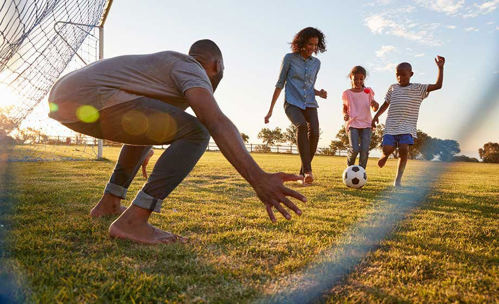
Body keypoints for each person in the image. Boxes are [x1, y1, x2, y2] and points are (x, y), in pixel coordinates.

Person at [48, 39, 306, 245]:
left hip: (66, 98)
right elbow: (215, 120)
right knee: (198, 132)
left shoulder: (167, 71)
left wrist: (144, 142)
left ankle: (109, 203)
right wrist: (258, 178)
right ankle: (133, 222)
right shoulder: (190, 66)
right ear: (216, 65)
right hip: (90, 95)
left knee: (156, 128)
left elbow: (143, 122)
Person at [264, 27, 327, 185]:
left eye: (316, 45)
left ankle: (303, 174)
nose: (313, 48)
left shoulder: (316, 63)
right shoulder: (289, 59)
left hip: (310, 103)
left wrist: (319, 93)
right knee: (301, 126)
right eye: (310, 44)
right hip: (292, 103)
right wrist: (270, 110)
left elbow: (308, 86)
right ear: (302, 43)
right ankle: (308, 171)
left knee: (315, 132)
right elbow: (280, 84)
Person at [372, 56, 445, 187]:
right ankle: (385, 155)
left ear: (411, 74)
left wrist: (440, 68)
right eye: (397, 75)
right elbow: (385, 104)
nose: (400, 78)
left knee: (404, 149)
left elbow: (438, 86)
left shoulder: (418, 88)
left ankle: (398, 179)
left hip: (407, 126)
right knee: (387, 149)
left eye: (403, 75)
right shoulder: (393, 88)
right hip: (391, 126)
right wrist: (376, 116)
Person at [342, 66, 379, 169]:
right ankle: (349, 169)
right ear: (351, 77)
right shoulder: (347, 93)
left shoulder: (368, 91)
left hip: (367, 124)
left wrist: (376, 104)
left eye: (361, 79)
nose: (358, 81)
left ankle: (361, 171)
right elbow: (344, 108)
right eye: (356, 79)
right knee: (354, 149)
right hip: (353, 124)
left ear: (364, 79)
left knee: (364, 150)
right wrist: (345, 114)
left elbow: (374, 108)